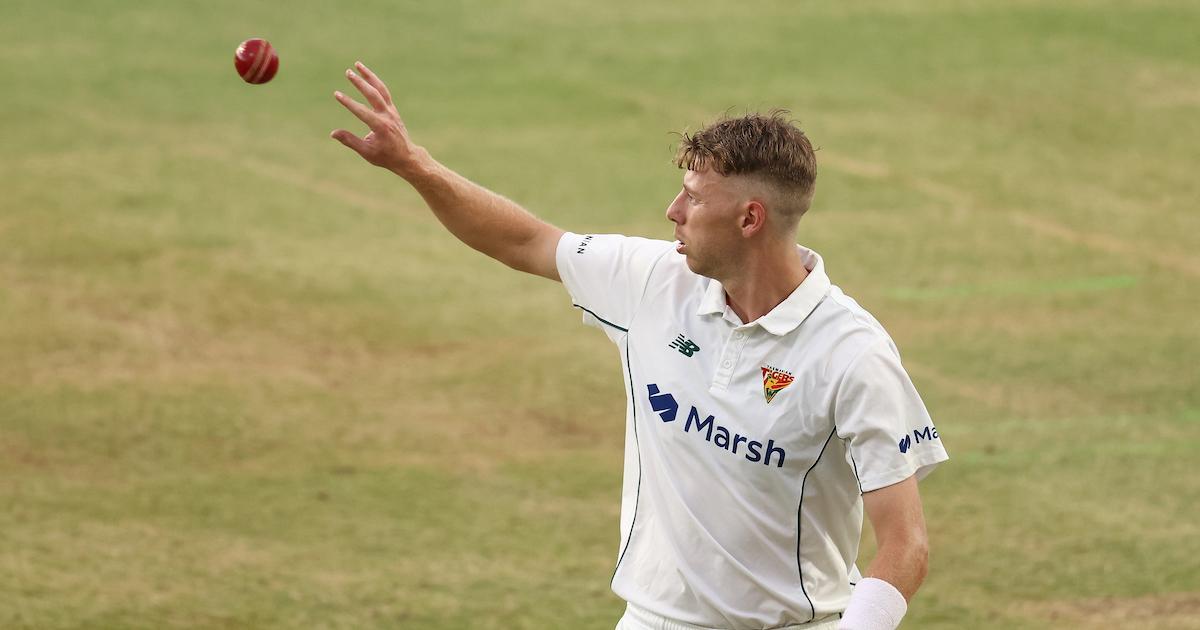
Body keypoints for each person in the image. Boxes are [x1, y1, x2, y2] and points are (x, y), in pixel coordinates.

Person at [330, 62, 949, 630]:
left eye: (695, 197)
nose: (672, 210)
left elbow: (905, 546)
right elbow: (524, 241)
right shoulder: (654, 281)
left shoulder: (851, 354)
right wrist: (414, 165)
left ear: (750, 219)